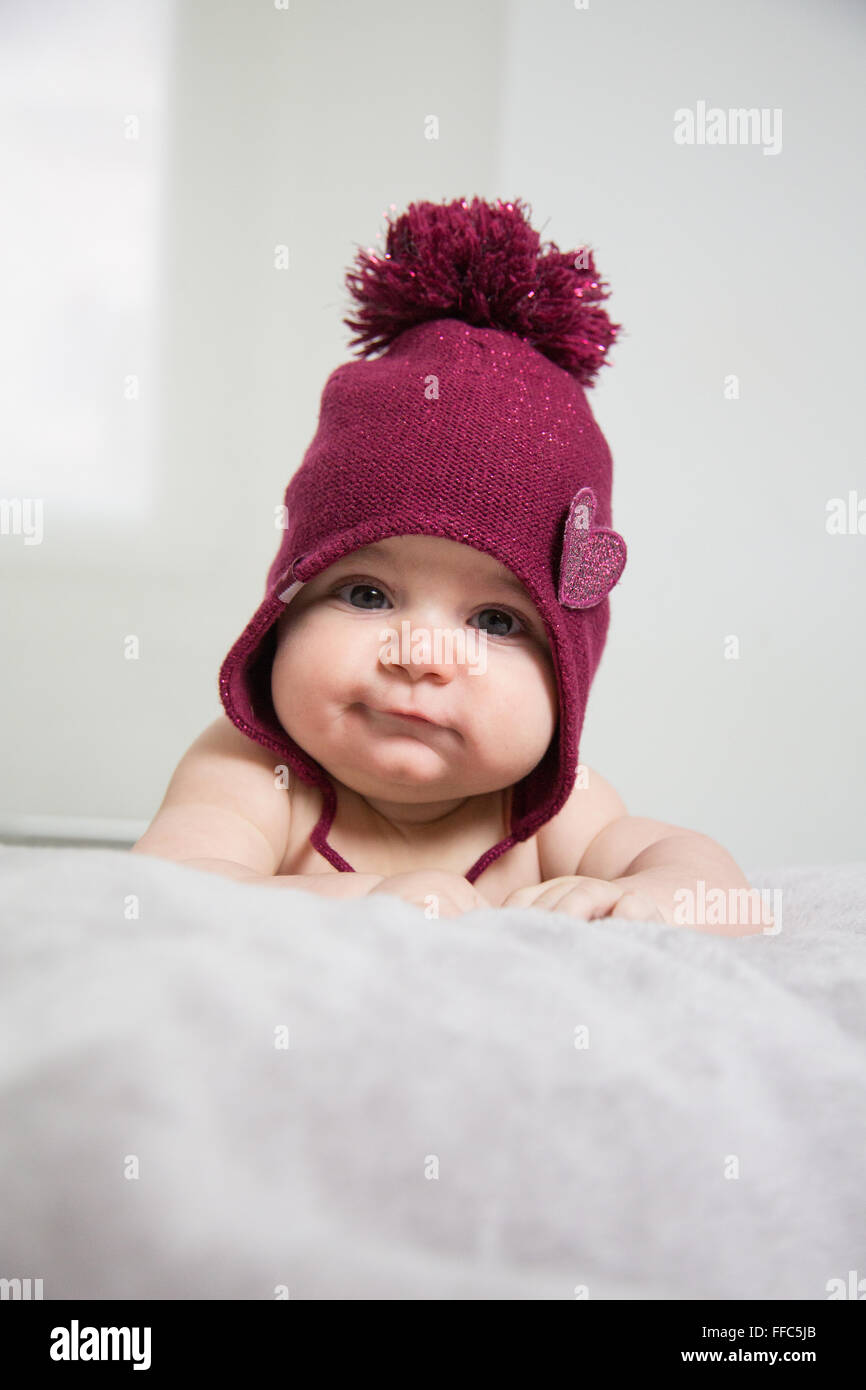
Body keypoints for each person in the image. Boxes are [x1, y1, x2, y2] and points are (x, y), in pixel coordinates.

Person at [132, 196, 762, 934]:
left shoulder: (550, 810)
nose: (420, 658)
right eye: (366, 594)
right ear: (282, 614)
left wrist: (653, 900)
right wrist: (361, 904)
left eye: (497, 619)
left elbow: (724, 895)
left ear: (567, 674)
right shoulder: (255, 773)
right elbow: (163, 898)